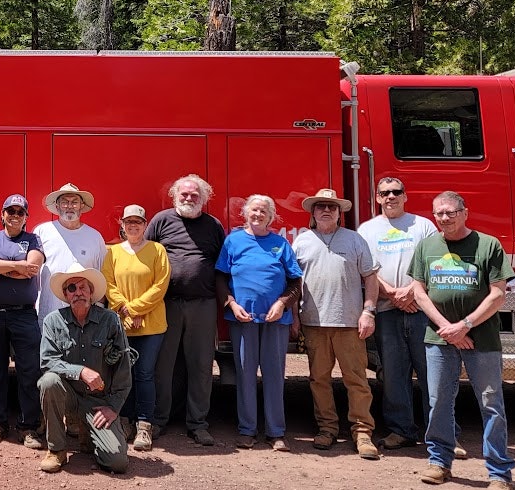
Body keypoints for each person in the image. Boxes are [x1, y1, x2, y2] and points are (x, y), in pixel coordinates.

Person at [408, 191, 515, 490]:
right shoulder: (427, 246)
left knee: (491, 404)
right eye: (438, 213)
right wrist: (447, 328)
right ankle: (440, 462)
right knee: (439, 400)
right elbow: (418, 290)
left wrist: (464, 325)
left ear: (464, 212)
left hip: (480, 338)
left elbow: (498, 294)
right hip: (439, 337)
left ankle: (499, 475)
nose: (444, 218)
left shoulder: (488, 245)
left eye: (450, 212)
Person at [292, 187, 381, 458]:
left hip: (350, 323)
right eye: (321, 206)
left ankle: (362, 432)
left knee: (356, 379)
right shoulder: (301, 242)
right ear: (313, 213)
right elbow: (294, 283)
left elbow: (371, 277)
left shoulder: (355, 240)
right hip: (313, 323)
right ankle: (327, 429)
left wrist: (368, 311)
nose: (327, 210)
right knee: (319, 379)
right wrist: (294, 317)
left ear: (340, 213)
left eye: (332, 207)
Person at [356, 177, 439, 450]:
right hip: (386, 310)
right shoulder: (367, 230)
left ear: (405, 196)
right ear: (377, 198)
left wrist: (411, 293)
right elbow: (367, 269)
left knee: (432, 373)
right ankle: (400, 430)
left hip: (420, 309)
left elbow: (432, 265)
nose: (390, 197)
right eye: (384, 193)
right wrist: (392, 293)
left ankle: (440, 435)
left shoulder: (423, 226)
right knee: (393, 373)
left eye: (396, 192)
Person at [215, 195, 302, 452]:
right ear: (245, 213)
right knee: (245, 374)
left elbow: (295, 281)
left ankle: (276, 432)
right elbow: (220, 278)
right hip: (244, 318)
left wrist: (282, 304)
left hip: (276, 320)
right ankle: (247, 430)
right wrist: (231, 304)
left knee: (275, 376)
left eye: (264, 211)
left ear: (271, 216)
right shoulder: (233, 241)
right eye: (254, 210)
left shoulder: (280, 244)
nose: (258, 214)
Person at [145, 174, 225, 445]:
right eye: (185, 194)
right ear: (175, 195)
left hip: (203, 305)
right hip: (165, 304)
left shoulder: (213, 225)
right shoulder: (161, 220)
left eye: (195, 195)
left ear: (203, 199)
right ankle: (157, 420)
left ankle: (198, 423)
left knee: (201, 365)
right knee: (163, 365)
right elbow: (147, 257)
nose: (189, 198)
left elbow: (221, 265)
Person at [38, 264, 132, 474]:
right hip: (68, 395)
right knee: (48, 381)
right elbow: (47, 361)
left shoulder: (110, 320)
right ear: (65, 294)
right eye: (72, 288)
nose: (78, 292)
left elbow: (123, 370)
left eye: (83, 287)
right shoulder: (53, 321)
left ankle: (89, 431)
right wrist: (80, 371)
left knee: (117, 463)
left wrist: (114, 408)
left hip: (98, 401)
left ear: (91, 292)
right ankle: (57, 450)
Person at [0, 194, 46, 448]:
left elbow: (31, 269)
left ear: (26, 217)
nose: (15, 216)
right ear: (2, 214)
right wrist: (14, 267)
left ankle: (28, 427)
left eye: (20, 212)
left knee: (29, 371)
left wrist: (0, 267)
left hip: (23, 314)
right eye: (10, 211)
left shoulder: (33, 240)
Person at [102, 205, 170, 452]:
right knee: (123, 374)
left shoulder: (157, 250)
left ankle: (144, 424)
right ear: (122, 223)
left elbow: (161, 285)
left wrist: (137, 309)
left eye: (138, 222)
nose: (133, 226)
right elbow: (108, 284)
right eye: (129, 221)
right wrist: (126, 310)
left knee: (145, 374)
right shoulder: (112, 252)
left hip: (151, 325)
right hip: (121, 324)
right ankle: (124, 421)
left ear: (145, 224)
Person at [35, 183, 106, 325]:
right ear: (57, 206)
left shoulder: (95, 237)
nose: (69, 206)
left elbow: (101, 277)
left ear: (81, 206)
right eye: (64, 202)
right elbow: (33, 274)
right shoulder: (42, 232)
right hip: (49, 313)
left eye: (74, 202)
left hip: (85, 318)